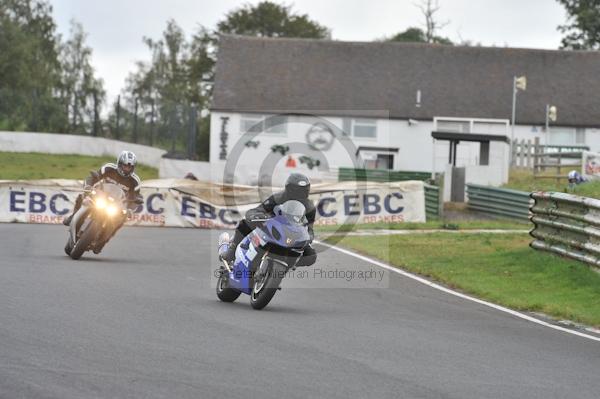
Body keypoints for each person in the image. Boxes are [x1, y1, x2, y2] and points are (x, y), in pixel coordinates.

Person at [222, 173, 317, 267]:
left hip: (292, 234)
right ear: (289, 189)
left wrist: (309, 237)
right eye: (297, 190)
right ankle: (232, 249)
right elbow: (259, 209)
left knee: (311, 255)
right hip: (272, 227)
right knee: (245, 223)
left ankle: (287, 263)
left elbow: (309, 228)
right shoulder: (278, 198)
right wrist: (256, 216)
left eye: (303, 191)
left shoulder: (310, 208)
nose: (300, 194)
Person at [63, 151, 142, 230]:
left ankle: (104, 238)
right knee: (82, 197)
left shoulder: (135, 181)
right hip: (99, 195)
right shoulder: (108, 168)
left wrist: (130, 209)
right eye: (125, 166)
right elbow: (93, 177)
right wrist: (88, 186)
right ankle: (73, 217)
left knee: (119, 221)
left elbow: (134, 198)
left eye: (130, 167)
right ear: (119, 164)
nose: (127, 169)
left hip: (116, 204)